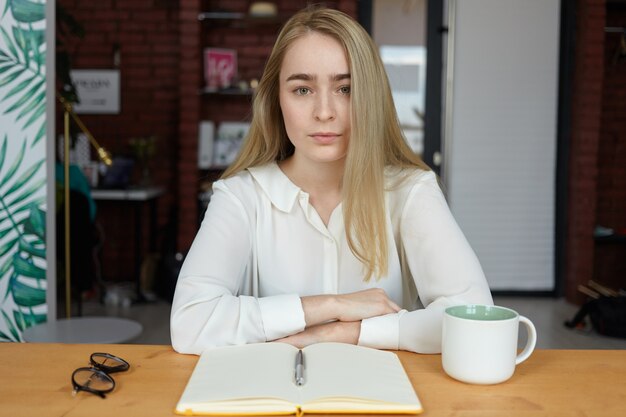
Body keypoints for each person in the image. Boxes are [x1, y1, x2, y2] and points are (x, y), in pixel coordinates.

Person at [170, 6, 493, 355]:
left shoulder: (411, 191)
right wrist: (331, 306)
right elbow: (190, 322)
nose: (324, 112)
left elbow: (475, 320)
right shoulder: (240, 196)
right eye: (302, 90)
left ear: (371, 97)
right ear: (276, 100)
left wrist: (343, 334)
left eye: (345, 88)